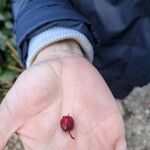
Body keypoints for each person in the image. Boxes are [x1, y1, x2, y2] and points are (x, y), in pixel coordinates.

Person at [1, 0, 149, 149]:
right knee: (90, 83)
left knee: (117, 88)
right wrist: (57, 50)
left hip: (138, 67)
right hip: (87, 49)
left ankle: (115, 97)